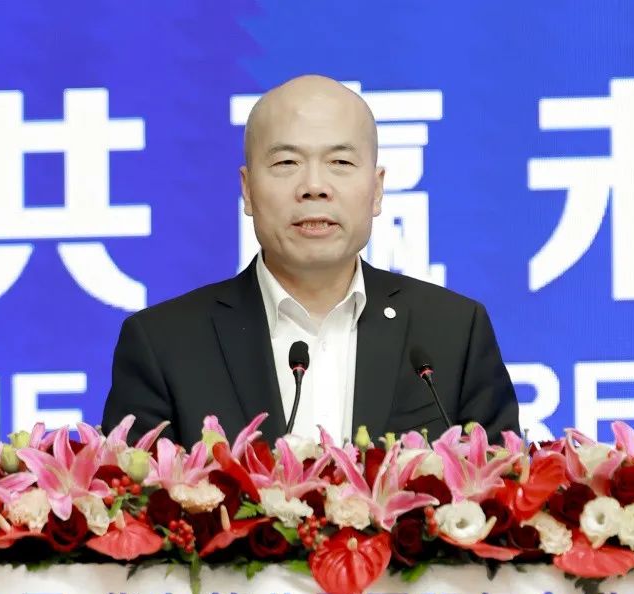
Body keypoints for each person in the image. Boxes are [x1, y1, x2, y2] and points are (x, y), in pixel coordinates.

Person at [102, 75, 520, 447]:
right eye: (287, 162)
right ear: (247, 190)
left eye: (340, 162)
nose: (314, 186)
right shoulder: (165, 344)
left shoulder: (453, 332)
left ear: (376, 190)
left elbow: (502, 489)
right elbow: (133, 502)